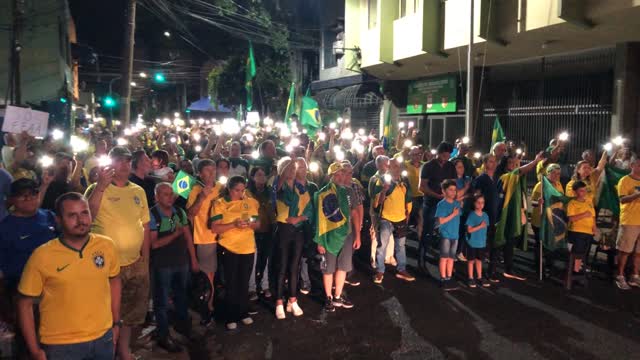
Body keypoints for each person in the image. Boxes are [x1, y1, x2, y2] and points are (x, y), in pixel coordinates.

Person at [16, 193, 121, 360]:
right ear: (58, 219)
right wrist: (35, 350)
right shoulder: (42, 255)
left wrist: (116, 323)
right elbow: (25, 304)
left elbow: (114, 280)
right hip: (61, 345)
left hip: (103, 338)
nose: (81, 220)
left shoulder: (106, 245)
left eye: (84, 213)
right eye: (72, 215)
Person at [85, 146, 150, 360]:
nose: (124, 164)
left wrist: (145, 259)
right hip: (106, 265)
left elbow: (145, 226)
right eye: (120, 160)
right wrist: (101, 187)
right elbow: (88, 217)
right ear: (110, 163)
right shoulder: (96, 188)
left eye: (128, 160)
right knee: (106, 312)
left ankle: (123, 351)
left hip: (135, 263)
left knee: (130, 314)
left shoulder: (138, 191)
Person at [149, 183, 199, 352]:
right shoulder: (152, 214)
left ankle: (183, 328)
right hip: (162, 265)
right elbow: (154, 244)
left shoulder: (179, 212)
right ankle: (163, 335)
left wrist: (193, 259)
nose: (169, 197)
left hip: (181, 262)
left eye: (171, 194)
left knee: (182, 297)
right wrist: (174, 234)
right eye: (165, 194)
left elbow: (188, 238)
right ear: (156, 197)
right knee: (161, 302)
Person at [211, 176, 260, 330]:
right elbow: (215, 228)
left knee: (243, 282)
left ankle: (243, 313)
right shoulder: (219, 203)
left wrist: (250, 224)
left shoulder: (250, 202)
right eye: (236, 190)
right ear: (229, 189)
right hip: (229, 248)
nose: (239, 193)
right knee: (231, 283)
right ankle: (230, 316)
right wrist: (233, 224)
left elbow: (258, 224)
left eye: (242, 190)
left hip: (247, 248)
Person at [315, 162, 359, 312]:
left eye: (342, 174)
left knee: (343, 267)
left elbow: (354, 213)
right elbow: (318, 219)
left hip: (346, 235)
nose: (340, 177)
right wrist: (320, 241)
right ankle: (328, 297)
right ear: (331, 176)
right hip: (328, 237)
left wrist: (358, 235)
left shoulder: (349, 191)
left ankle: (338, 295)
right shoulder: (322, 193)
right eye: (337, 174)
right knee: (328, 269)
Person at [494, 152, 544, 281]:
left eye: (516, 163)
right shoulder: (505, 177)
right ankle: (493, 271)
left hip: (516, 213)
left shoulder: (516, 177)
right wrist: (535, 161)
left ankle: (507, 268)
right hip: (504, 214)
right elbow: (520, 171)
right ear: (504, 164)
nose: (515, 165)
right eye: (511, 162)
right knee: (500, 241)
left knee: (510, 242)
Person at [186, 159, 223, 325]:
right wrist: (202, 197)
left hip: (224, 237)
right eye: (207, 171)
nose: (211, 173)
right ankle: (208, 307)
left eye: (213, 170)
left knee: (218, 274)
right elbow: (190, 214)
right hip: (205, 238)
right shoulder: (195, 189)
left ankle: (215, 302)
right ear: (200, 174)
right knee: (208, 275)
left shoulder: (222, 188)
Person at [273, 157, 309, 319]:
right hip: (283, 229)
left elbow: (309, 210)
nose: (292, 172)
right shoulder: (278, 186)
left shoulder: (300, 188)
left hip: (297, 230)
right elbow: (277, 188)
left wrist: (299, 219)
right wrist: (289, 163)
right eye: (289, 169)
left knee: (294, 267)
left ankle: (292, 300)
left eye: (294, 169)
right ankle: (279, 301)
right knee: (282, 266)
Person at [370, 158, 415, 284]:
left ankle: (402, 269)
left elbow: (409, 200)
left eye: (399, 166)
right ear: (388, 168)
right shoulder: (382, 180)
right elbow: (376, 203)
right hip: (386, 218)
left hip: (401, 218)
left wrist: (408, 214)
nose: (397, 169)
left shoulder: (404, 181)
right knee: (382, 246)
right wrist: (384, 190)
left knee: (400, 246)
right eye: (394, 166)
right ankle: (380, 271)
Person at [419, 142, 456, 270]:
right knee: (427, 231)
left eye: (448, 155)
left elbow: (453, 184)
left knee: (445, 233)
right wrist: (436, 195)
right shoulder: (428, 166)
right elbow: (422, 186)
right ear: (439, 153)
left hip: (445, 204)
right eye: (444, 155)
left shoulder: (451, 166)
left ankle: (443, 260)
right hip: (431, 203)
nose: (446, 158)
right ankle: (422, 259)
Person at [530, 163, 564, 277]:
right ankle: (538, 267)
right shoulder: (540, 185)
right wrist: (538, 203)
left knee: (551, 244)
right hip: (540, 221)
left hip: (553, 220)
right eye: (553, 172)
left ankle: (549, 266)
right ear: (548, 173)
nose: (556, 175)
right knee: (540, 245)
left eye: (558, 173)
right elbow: (533, 203)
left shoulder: (559, 185)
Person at [247, 167, 275, 299]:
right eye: (258, 174)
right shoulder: (248, 193)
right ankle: (252, 288)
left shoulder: (269, 192)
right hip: (253, 231)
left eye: (264, 174)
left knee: (266, 258)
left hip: (268, 229)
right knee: (253, 261)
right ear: (252, 177)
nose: (262, 177)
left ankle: (265, 285)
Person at [472, 154, 500, 282]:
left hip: (496, 216)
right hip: (484, 217)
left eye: (495, 161)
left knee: (494, 245)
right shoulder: (481, 179)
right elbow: (476, 196)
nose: (493, 164)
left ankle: (491, 271)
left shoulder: (497, 178)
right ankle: (476, 273)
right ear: (485, 163)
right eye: (490, 161)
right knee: (481, 246)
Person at [614, 155, 640, 290]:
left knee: (638, 252)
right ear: (632, 166)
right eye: (639, 165)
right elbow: (622, 200)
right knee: (625, 250)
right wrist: (636, 195)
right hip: (629, 220)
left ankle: (635, 275)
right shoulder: (625, 180)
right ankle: (620, 275)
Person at [293, 158, 319, 295]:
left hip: (310, 226)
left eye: (304, 167)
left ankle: (306, 279)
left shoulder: (313, 187)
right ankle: (298, 280)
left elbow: (317, 207)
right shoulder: (291, 186)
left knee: (307, 255)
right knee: (296, 255)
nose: (302, 169)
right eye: (299, 167)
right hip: (296, 226)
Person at [435, 179, 461, 290]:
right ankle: (443, 278)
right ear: (444, 191)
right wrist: (453, 214)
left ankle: (449, 277)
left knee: (451, 258)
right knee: (444, 257)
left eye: (454, 190)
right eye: (450, 190)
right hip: (445, 234)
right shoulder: (441, 204)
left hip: (455, 235)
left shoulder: (457, 203)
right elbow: (440, 221)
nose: (453, 192)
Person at [566, 181, 596, 274]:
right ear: (575, 192)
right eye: (581, 191)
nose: (584, 193)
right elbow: (570, 218)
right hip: (577, 232)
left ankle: (577, 269)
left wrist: (594, 226)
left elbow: (593, 216)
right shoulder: (572, 203)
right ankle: (574, 271)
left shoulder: (589, 202)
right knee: (577, 253)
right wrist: (583, 214)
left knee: (583, 253)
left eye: (585, 190)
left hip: (588, 232)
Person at [465, 194, 491, 288]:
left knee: (479, 260)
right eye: (478, 202)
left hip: (481, 243)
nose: (480, 205)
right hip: (472, 243)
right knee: (471, 261)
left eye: (482, 203)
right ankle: (471, 278)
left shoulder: (485, 215)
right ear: (474, 203)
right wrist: (479, 226)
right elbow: (469, 230)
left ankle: (479, 277)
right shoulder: (472, 215)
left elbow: (485, 229)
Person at [404, 146, 424, 237]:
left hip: (422, 195)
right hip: (410, 196)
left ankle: (421, 238)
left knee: (421, 216)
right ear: (410, 155)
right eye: (414, 154)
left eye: (419, 154)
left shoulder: (424, 165)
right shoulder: (405, 165)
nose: (417, 156)